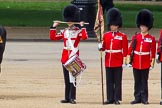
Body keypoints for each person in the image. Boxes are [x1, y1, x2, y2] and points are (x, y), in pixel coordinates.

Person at [49, 4, 88, 104]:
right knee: (67, 79)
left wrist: (82, 26)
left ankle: (72, 97)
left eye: (70, 19)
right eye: (68, 20)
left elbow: (84, 37)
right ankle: (67, 97)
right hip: (65, 57)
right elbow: (53, 37)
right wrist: (54, 27)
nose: (69, 21)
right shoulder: (64, 31)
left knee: (72, 78)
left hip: (73, 57)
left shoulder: (78, 31)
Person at [98, 8, 128, 105]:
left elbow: (125, 50)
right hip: (108, 61)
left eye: (114, 25)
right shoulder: (106, 35)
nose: (112, 27)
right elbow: (104, 48)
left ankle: (117, 98)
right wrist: (100, 47)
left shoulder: (122, 36)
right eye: (111, 25)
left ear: (117, 25)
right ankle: (110, 98)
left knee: (117, 81)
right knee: (109, 81)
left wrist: (124, 62)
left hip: (118, 61)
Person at [127, 9, 156, 105]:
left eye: (144, 26)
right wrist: (128, 60)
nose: (142, 28)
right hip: (136, 61)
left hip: (145, 62)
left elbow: (152, 52)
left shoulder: (151, 39)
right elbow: (130, 49)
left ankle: (144, 98)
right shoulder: (136, 37)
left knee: (144, 81)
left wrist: (151, 63)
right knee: (137, 81)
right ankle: (137, 97)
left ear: (148, 27)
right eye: (141, 26)